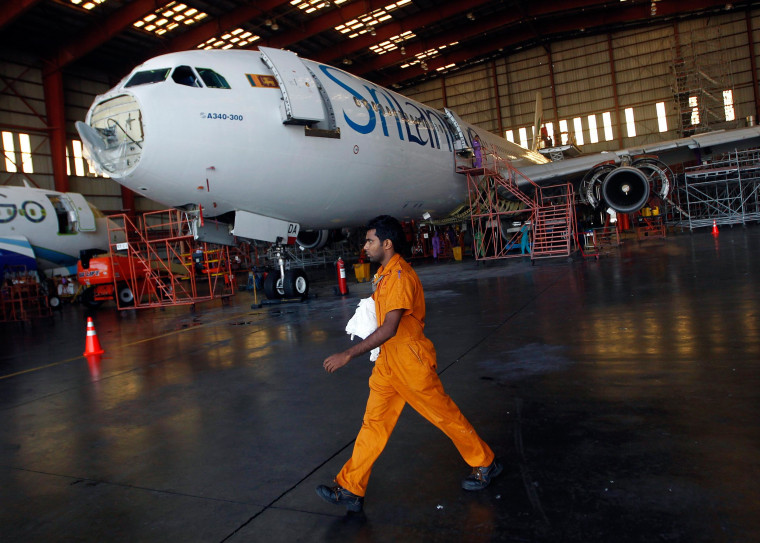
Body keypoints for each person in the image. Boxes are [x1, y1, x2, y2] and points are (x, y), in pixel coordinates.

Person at [317, 215, 501, 513]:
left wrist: (348, 354)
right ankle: (351, 487)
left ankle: (485, 463)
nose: (365, 246)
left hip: (409, 362)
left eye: (370, 241)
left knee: (444, 416)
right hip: (388, 363)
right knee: (373, 424)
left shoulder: (400, 276)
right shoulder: (385, 274)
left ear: (386, 244)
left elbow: (390, 327)